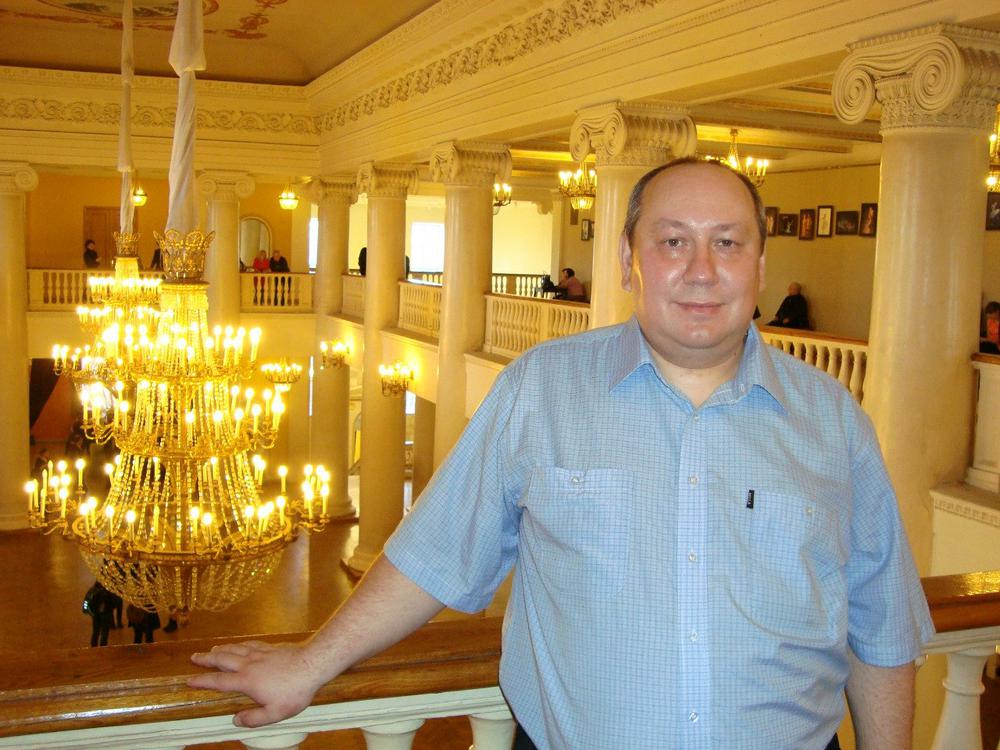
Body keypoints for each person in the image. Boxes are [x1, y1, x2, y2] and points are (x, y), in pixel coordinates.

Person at [189, 159, 933, 749]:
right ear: (628, 261)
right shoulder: (542, 390)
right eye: (673, 241)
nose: (702, 270)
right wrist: (310, 663)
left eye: (728, 243)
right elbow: (437, 552)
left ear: (760, 267)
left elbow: (881, 625)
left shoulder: (833, 420)